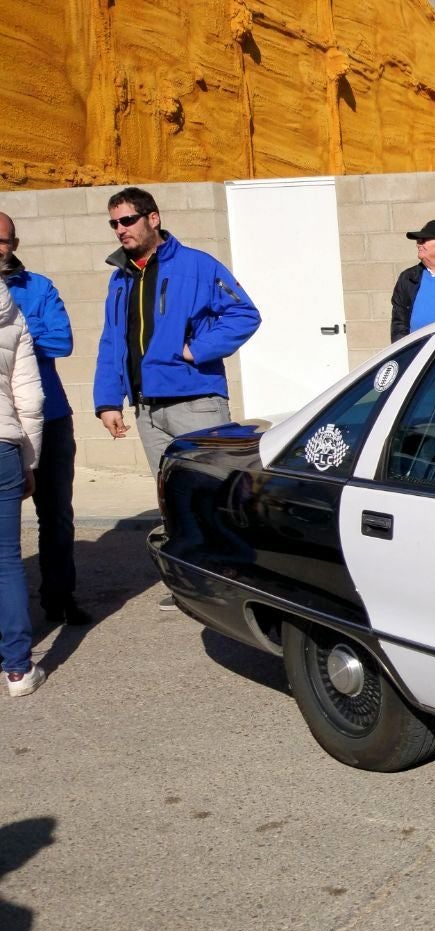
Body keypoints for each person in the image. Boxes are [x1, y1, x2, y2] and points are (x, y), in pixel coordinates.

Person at [92, 187, 261, 611]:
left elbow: (245, 313)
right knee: (173, 497)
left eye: (126, 220)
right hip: (147, 408)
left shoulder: (197, 266)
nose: (120, 230)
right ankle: (189, 580)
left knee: (214, 493)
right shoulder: (120, 277)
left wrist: (195, 350)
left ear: (153, 218)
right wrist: (108, 400)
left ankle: (236, 580)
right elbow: (113, 341)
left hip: (195, 401)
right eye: (114, 223)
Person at [0, 212, 86, 625]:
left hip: (48, 417)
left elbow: (62, 340)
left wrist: (15, 332)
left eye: (3, 240)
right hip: (2, 425)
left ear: (15, 244)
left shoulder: (38, 288)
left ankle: (59, 595)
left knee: (55, 513)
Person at [0, 276, 45, 696]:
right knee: (7, 559)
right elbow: (29, 396)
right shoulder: (9, 307)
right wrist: (29, 459)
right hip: (2, 443)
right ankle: (17, 670)